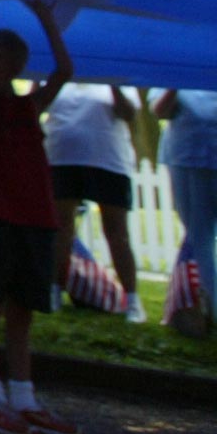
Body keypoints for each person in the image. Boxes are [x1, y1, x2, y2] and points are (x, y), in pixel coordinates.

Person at [0, 0, 82, 434]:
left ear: (16, 65)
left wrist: (47, 18)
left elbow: (64, 70)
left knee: (23, 310)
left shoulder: (29, 105)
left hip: (34, 217)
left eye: (5, 60)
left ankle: (24, 397)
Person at [45, 81, 145, 321]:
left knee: (117, 232)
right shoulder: (60, 74)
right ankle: (53, 291)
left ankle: (132, 300)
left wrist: (112, 83)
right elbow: (36, 104)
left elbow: (129, 113)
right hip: (62, 158)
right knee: (61, 228)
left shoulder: (117, 76)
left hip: (108, 160)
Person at [152, 88, 216, 332]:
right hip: (186, 157)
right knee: (199, 238)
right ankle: (209, 309)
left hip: (197, 155)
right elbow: (160, 110)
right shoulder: (177, 61)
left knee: (200, 238)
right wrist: (177, 82)